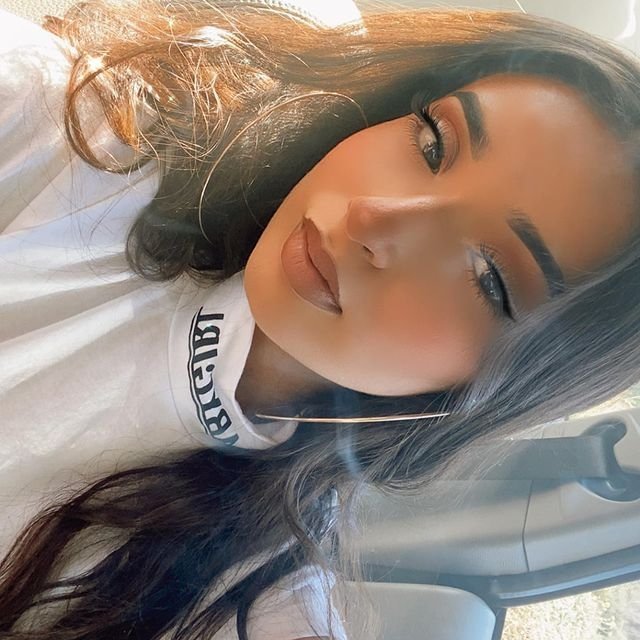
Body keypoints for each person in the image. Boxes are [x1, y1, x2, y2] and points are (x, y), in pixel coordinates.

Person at [1, 0, 640, 638]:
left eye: (488, 272)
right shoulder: (73, 130)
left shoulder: (255, 610)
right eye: (432, 142)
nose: (370, 216)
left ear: (502, 385)